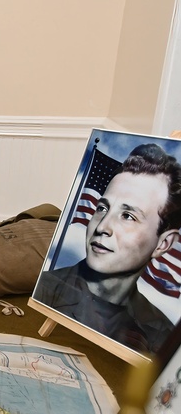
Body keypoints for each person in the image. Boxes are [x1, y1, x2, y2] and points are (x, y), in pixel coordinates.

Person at [35, 143, 181, 353]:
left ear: (163, 243)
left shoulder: (162, 333)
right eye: (102, 208)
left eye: (128, 216)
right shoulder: (47, 288)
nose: (102, 226)